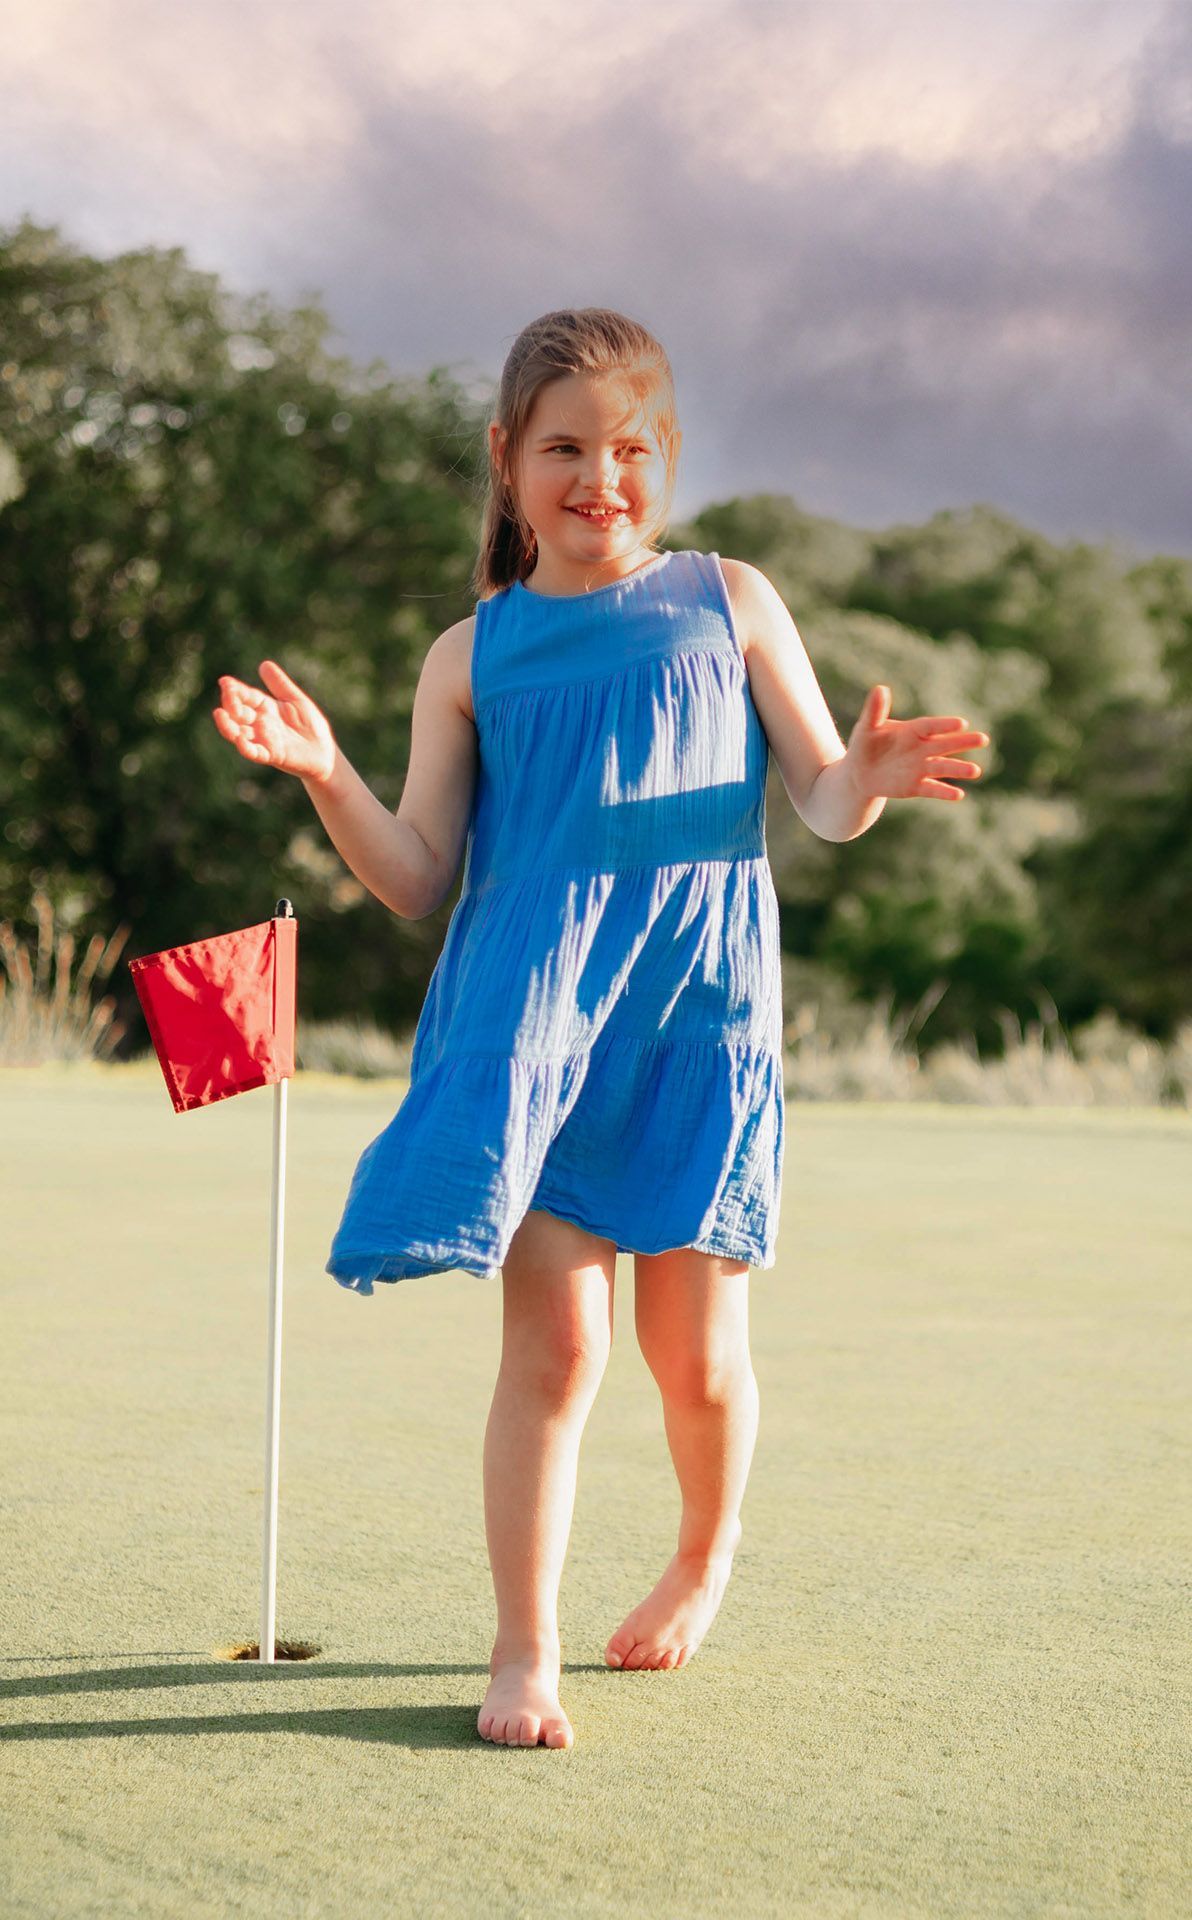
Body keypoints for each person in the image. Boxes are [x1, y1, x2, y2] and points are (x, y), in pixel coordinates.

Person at [212, 307, 989, 1752]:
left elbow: (818, 798)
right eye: (564, 447)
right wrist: (327, 772)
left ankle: (708, 1544)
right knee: (558, 1353)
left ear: (668, 458)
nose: (600, 479)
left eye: (631, 449)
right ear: (508, 461)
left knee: (693, 1358)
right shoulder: (473, 655)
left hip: (697, 1031)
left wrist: (866, 774)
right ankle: (526, 1651)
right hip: (536, 1047)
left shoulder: (732, 600)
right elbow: (419, 878)